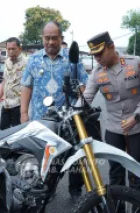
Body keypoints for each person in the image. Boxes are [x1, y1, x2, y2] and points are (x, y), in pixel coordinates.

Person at [20, 21, 89, 202]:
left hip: (69, 121)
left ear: (61, 38)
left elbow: (84, 84)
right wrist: (23, 114)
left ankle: (75, 191)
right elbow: (26, 87)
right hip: (41, 121)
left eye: (55, 38)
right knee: (45, 158)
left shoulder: (72, 59)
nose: (51, 42)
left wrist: (81, 105)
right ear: (42, 38)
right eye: (47, 38)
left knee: (75, 157)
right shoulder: (33, 60)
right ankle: (45, 190)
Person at [81, 31, 140, 196]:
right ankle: (118, 207)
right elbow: (86, 97)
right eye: (94, 55)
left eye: (100, 53)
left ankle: (139, 206)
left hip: (138, 126)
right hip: (114, 128)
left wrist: (136, 117)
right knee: (115, 171)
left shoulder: (136, 63)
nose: (97, 58)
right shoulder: (97, 72)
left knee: (137, 169)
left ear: (112, 47)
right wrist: (73, 107)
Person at [0, 37, 27, 130]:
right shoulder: (7, 62)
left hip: (19, 106)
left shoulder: (27, 62)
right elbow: (5, 80)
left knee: (16, 134)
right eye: (9, 49)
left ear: (20, 49)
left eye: (14, 49)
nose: (11, 51)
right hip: (6, 105)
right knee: (3, 133)